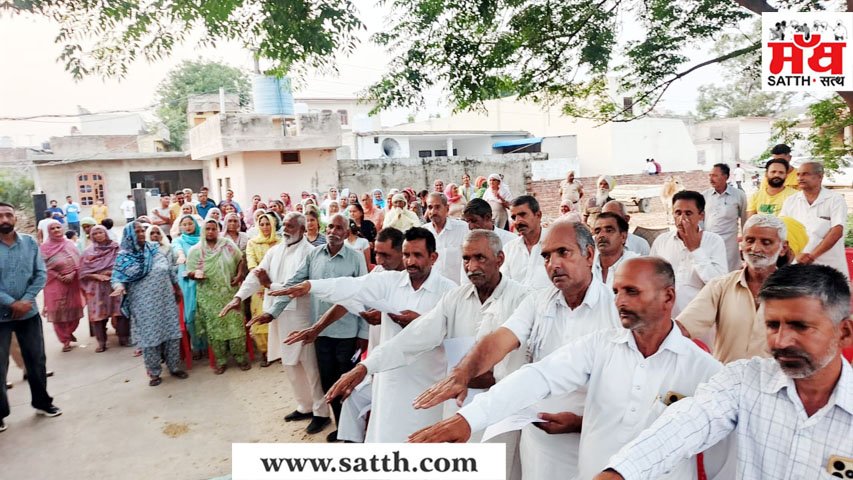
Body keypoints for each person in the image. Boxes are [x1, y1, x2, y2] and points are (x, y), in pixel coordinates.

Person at [411, 258, 728, 480]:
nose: (619, 301)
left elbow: (717, 460)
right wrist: (469, 419)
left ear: (668, 297)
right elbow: (540, 376)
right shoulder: (600, 346)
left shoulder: (704, 370)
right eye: (616, 291)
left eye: (632, 291)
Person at [596, 264, 853, 480]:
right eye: (773, 325)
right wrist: (619, 473)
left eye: (800, 326)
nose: (781, 340)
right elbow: (684, 425)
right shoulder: (744, 381)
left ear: (844, 332)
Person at [411, 219, 620, 480]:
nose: (553, 264)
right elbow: (500, 340)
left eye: (563, 252)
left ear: (589, 255)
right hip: (539, 444)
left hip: (591, 442)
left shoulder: (615, 309)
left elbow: (627, 391)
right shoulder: (538, 302)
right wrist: (462, 374)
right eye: (546, 256)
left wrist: (580, 422)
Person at [327, 229, 531, 476]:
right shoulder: (455, 298)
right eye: (466, 259)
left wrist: (485, 376)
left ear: (500, 259)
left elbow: (525, 362)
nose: (471, 266)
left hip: (499, 412)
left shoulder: (522, 299)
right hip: (458, 408)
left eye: (480, 258)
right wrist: (365, 367)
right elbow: (412, 338)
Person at [279, 227, 457, 443]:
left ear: (433, 257)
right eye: (406, 255)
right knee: (387, 436)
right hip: (389, 379)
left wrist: (423, 323)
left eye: (417, 255)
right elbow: (351, 286)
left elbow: (455, 339)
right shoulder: (390, 281)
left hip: (428, 382)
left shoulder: (449, 291)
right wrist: (310, 286)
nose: (410, 261)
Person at [255, 214, 368, 442]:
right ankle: (342, 429)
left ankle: (355, 433)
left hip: (347, 333)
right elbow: (293, 284)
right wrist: (273, 311)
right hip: (320, 332)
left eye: (339, 228)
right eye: (331, 227)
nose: (333, 231)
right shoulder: (314, 255)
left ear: (347, 233)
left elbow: (365, 295)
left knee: (348, 384)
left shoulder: (356, 258)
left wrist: (363, 333)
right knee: (328, 383)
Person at [223, 212, 331, 434]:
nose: (285, 230)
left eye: (291, 226)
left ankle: (321, 413)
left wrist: (270, 285)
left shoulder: (311, 253)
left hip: (302, 316)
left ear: (302, 229)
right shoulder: (275, 251)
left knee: (310, 366)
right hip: (277, 315)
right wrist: (238, 298)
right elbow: (256, 276)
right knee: (289, 364)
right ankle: (304, 406)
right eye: (284, 226)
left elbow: (300, 286)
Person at [677, 214, 788, 363]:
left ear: (783, 248)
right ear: (741, 243)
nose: (755, 248)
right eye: (750, 240)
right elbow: (683, 328)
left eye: (766, 242)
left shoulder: (796, 293)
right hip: (725, 376)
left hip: (775, 378)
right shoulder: (720, 286)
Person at [0, 202, 62, 431]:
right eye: (0, 216)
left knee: (36, 360)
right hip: (1, 317)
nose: (4, 220)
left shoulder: (29, 243)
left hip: (28, 312)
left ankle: (43, 403)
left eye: (9, 215)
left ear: (15, 218)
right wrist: (12, 303)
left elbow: (40, 273)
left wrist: (26, 300)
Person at [111, 222, 188, 386]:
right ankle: (154, 373)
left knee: (172, 334)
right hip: (144, 305)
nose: (141, 233)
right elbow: (117, 277)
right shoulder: (124, 256)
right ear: (129, 235)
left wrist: (177, 289)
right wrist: (119, 287)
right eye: (136, 231)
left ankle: (174, 367)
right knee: (150, 338)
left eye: (142, 230)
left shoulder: (154, 249)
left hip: (166, 301)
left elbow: (168, 270)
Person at [650, 190, 728, 316]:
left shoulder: (714, 241)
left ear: (701, 216)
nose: (682, 219)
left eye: (688, 213)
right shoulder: (662, 241)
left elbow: (719, 283)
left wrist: (695, 250)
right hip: (666, 315)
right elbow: (650, 278)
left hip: (700, 316)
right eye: (678, 213)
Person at [186, 219, 247, 374]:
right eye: (208, 229)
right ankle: (221, 361)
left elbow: (241, 259)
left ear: (218, 230)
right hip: (209, 296)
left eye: (214, 229)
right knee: (215, 329)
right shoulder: (196, 250)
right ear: (203, 231)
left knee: (236, 326)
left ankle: (240, 358)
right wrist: (195, 274)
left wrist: (239, 275)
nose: (211, 232)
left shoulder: (227, 244)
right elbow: (189, 272)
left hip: (230, 293)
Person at [781, 161, 850, 279]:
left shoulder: (835, 199)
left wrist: (811, 256)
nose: (800, 178)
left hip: (829, 266)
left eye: (805, 174)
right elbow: (783, 231)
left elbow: (837, 231)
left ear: (819, 177)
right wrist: (796, 255)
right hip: (798, 265)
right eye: (798, 174)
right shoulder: (790, 201)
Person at [79, 225, 126, 352]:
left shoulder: (116, 248)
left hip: (114, 283)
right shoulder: (88, 252)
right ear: (91, 236)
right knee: (98, 315)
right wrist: (96, 275)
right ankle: (101, 342)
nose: (98, 235)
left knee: (120, 311)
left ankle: (123, 337)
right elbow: (82, 272)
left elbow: (124, 264)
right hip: (96, 287)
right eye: (95, 234)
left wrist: (111, 272)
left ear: (106, 233)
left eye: (101, 232)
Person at [40, 220, 84, 352]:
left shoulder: (70, 244)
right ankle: (65, 340)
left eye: (58, 227)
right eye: (52, 228)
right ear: (48, 232)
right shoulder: (44, 248)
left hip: (72, 283)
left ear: (63, 229)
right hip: (54, 283)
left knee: (75, 311)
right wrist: (58, 276)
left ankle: (69, 332)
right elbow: (42, 267)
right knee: (58, 313)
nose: (56, 230)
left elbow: (79, 262)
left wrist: (72, 273)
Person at [243, 213, 281, 367]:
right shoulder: (252, 243)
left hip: (277, 284)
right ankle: (265, 352)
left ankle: (279, 351)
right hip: (259, 286)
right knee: (260, 317)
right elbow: (251, 264)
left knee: (278, 317)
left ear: (273, 224)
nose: (265, 227)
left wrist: (273, 281)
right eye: (262, 224)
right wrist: (262, 277)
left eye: (268, 224)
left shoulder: (280, 242)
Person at [702, 163, 747, 272]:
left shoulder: (739, 195)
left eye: (715, 175)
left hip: (730, 244)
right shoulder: (704, 196)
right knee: (711, 272)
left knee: (730, 273)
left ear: (726, 177)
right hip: (709, 242)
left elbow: (745, 219)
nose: (711, 179)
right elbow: (699, 220)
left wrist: (745, 240)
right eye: (710, 175)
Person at [171, 214, 205, 357]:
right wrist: (181, 256)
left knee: (205, 312)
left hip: (203, 278)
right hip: (186, 281)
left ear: (195, 224)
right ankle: (196, 345)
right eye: (184, 224)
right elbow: (177, 249)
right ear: (180, 227)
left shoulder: (203, 239)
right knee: (190, 313)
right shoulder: (178, 241)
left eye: (190, 223)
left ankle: (209, 345)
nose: (188, 227)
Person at [500, 196, 551, 290]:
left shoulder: (555, 244)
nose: (517, 221)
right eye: (514, 217)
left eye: (523, 215)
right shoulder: (509, 249)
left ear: (538, 215)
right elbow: (504, 285)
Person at [423, 192, 468, 284]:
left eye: (437, 207)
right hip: (431, 287)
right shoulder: (423, 232)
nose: (433, 212)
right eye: (430, 207)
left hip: (456, 287)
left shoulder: (463, 229)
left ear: (447, 208)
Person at [592, 212, 639, 288]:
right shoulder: (587, 264)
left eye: (609, 230)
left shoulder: (635, 265)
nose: (601, 235)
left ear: (623, 237)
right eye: (597, 232)